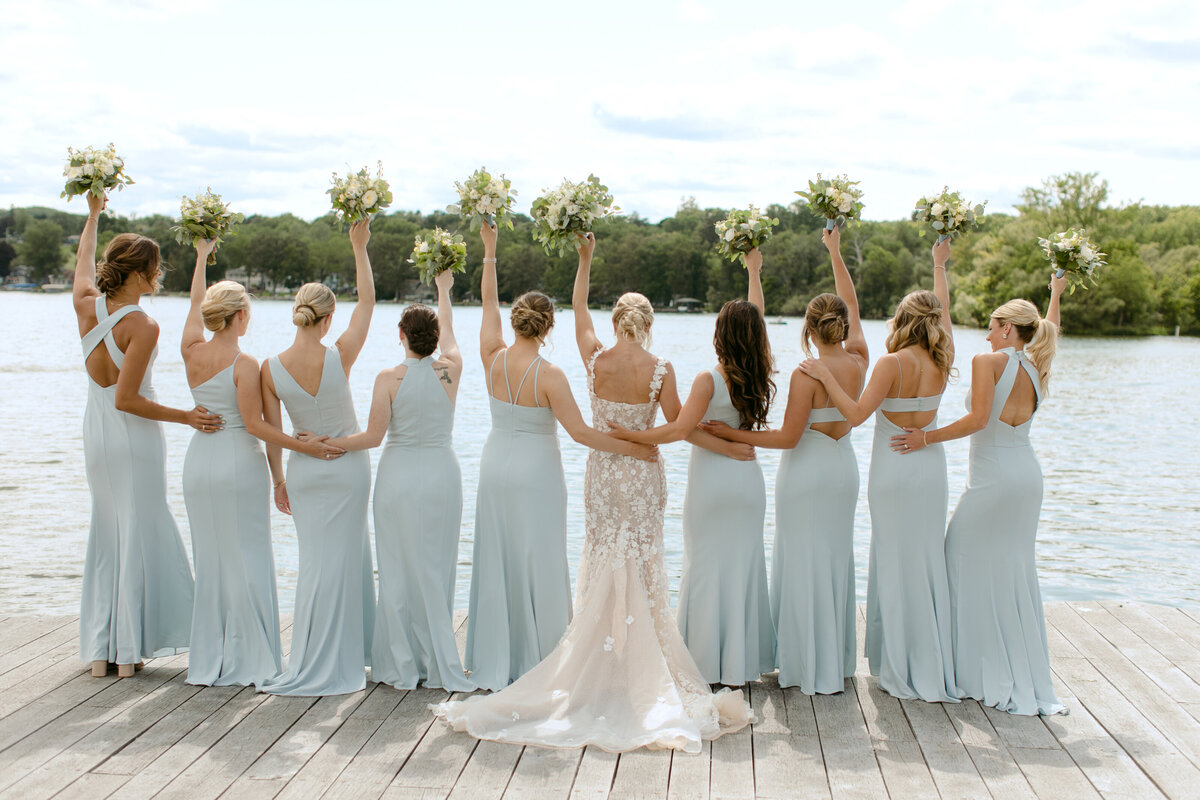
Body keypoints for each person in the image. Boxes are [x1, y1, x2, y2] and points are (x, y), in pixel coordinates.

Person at [433, 234, 752, 752]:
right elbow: (679, 426)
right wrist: (726, 442)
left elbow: (579, 306)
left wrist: (585, 260)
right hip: (644, 475)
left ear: (615, 323)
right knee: (644, 561)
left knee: (604, 554)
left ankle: (600, 663)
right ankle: (638, 668)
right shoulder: (662, 369)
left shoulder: (594, 360)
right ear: (648, 325)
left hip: (603, 474)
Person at [462, 223, 659, 692]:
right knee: (541, 556)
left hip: (493, 466)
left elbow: (487, 302)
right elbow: (584, 434)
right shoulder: (550, 376)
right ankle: (544, 656)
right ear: (549, 329)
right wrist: (637, 446)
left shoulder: (491, 355)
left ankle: (494, 654)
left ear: (514, 322)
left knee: (498, 555)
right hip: (537, 474)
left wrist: (490, 250)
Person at [890, 273, 1069, 715]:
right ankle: (1001, 661)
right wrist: (1056, 295)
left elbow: (977, 419)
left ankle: (970, 669)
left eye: (992, 325)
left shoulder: (988, 363)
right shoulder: (1037, 363)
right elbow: (1050, 328)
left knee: (956, 559)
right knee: (1012, 571)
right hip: (1027, 478)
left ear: (1008, 328)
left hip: (993, 481)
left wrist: (925, 439)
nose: (986, 333)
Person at [702, 227, 866, 693]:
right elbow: (850, 304)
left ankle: (804, 663)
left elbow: (788, 438)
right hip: (844, 469)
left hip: (808, 473)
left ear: (808, 330)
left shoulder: (806, 373)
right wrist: (836, 254)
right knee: (835, 558)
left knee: (800, 560)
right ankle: (836, 659)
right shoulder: (859, 362)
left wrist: (733, 433)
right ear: (844, 327)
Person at [179, 238, 343, 687]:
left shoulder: (190, 350)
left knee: (210, 558)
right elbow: (256, 425)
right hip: (237, 464)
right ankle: (252, 657)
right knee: (248, 557)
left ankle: (210, 658)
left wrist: (199, 258)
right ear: (240, 317)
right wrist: (291, 461)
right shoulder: (244, 363)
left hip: (197, 465)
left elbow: (194, 305)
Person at [800, 239, 958, 703]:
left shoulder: (891, 363)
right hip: (930, 468)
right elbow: (944, 313)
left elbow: (853, 415)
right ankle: (929, 659)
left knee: (893, 557)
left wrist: (826, 376)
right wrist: (939, 267)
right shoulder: (943, 360)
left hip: (892, 469)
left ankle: (897, 663)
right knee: (926, 559)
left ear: (903, 321)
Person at [611, 248, 775, 687]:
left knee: (704, 566)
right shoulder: (760, 372)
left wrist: (631, 436)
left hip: (711, 484)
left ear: (720, 332)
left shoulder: (708, 379)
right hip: (747, 479)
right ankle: (742, 663)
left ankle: (703, 661)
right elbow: (754, 317)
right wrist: (754, 272)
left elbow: (678, 429)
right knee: (743, 567)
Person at [72, 191, 216, 678]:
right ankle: (129, 654)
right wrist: (187, 416)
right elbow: (127, 399)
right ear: (138, 272)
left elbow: (83, 264)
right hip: (133, 438)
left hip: (96, 437)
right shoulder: (144, 325)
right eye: (156, 267)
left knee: (110, 531)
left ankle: (100, 653)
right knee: (136, 530)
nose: (159, 275)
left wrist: (93, 215)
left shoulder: (87, 306)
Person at [320, 269, 474, 692]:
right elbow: (453, 335)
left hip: (398, 478)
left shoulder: (389, 378)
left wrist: (328, 443)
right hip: (443, 476)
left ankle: (402, 663)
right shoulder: (451, 370)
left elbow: (371, 438)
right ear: (434, 337)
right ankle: (437, 662)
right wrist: (445, 291)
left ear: (401, 334)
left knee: (396, 567)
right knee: (436, 566)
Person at [258, 219, 376, 696]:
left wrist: (278, 480)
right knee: (345, 560)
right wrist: (359, 247)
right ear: (328, 319)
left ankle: (314, 656)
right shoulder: (340, 354)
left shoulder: (268, 367)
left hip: (303, 471)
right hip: (347, 469)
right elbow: (368, 302)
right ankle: (343, 658)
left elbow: (271, 433)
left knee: (315, 564)